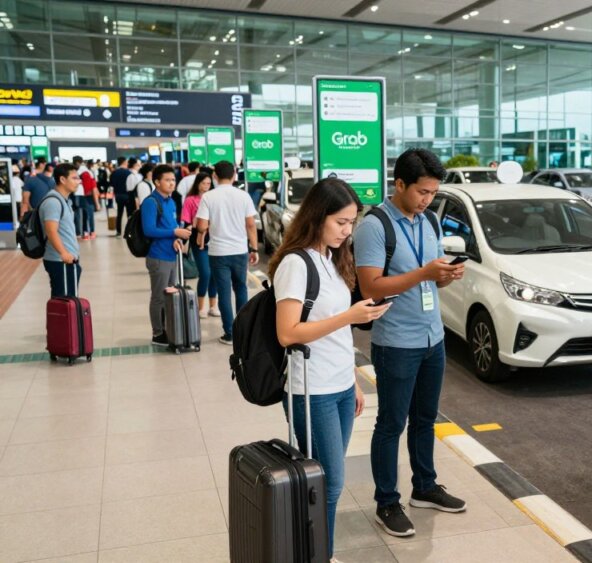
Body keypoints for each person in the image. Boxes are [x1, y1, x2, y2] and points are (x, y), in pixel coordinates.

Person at [270, 178, 391, 560]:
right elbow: (287, 333)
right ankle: (318, 554)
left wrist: (353, 380)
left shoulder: (332, 258)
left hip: (338, 385)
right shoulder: (296, 263)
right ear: (318, 216)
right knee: (330, 484)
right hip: (312, 390)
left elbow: (338, 336)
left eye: (352, 222)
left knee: (324, 482)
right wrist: (350, 316)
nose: (347, 231)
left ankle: (317, 551)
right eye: (341, 222)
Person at [353, 148, 467, 538]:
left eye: (433, 193)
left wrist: (444, 276)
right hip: (397, 341)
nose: (427, 200)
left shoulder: (429, 222)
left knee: (425, 419)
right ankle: (387, 501)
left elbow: (429, 278)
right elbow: (370, 286)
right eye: (421, 192)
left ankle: (425, 486)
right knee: (391, 423)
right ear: (399, 184)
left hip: (433, 336)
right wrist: (423, 273)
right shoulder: (374, 226)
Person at [195, 160, 259, 345]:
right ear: (234, 176)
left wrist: (204, 229)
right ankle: (243, 331)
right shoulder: (243, 196)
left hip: (218, 252)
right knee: (241, 288)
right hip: (240, 250)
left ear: (215, 175)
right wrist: (253, 248)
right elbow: (250, 224)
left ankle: (229, 334)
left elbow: (202, 226)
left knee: (223, 292)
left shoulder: (208, 197)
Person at [141, 164, 192, 347]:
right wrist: (175, 232)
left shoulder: (170, 201)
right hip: (158, 256)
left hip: (171, 254)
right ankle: (157, 333)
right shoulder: (150, 202)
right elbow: (149, 230)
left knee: (171, 295)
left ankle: (169, 328)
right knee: (159, 296)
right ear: (157, 182)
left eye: (173, 180)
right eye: (167, 180)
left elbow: (169, 228)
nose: (172, 183)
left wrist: (175, 237)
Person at [40, 164, 82, 298]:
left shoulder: (64, 200)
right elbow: (51, 230)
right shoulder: (53, 202)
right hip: (60, 261)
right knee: (64, 303)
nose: (78, 181)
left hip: (67, 260)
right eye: (74, 178)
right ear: (62, 180)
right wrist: (63, 253)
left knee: (67, 303)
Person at [181, 172, 218, 318]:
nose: (206, 186)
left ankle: (213, 306)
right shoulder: (190, 200)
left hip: (214, 237)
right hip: (198, 238)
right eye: (203, 183)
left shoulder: (214, 198)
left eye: (209, 183)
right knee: (205, 273)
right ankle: (200, 307)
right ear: (197, 183)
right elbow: (186, 221)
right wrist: (191, 227)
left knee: (215, 273)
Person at [76, 159, 99, 240]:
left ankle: (85, 233)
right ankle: (92, 232)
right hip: (88, 197)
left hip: (80, 196)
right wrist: (97, 204)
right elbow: (93, 189)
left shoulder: (78, 173)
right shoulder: (88, 173)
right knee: (90, 215)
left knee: (84, 215)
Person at [111, 157, 132, 236]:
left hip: (118, 195)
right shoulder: (128, 172)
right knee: (129, 214)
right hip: (128, 195)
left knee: (119, 213)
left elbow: (112, 184)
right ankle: (129, 231)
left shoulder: (115, 172)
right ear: (124, 162)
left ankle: (118, 231)